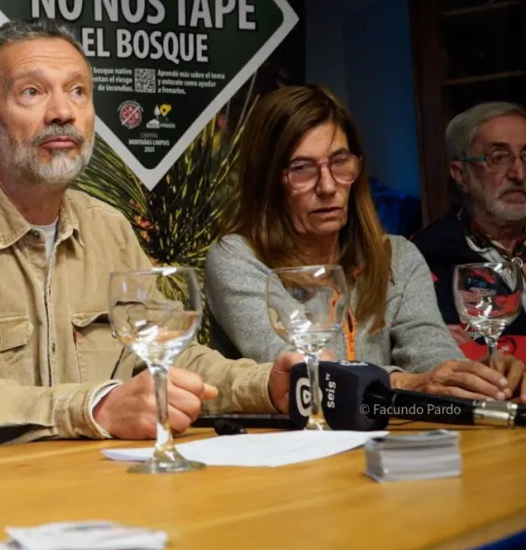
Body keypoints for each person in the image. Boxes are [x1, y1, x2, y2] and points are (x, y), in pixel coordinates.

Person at [0, 18, 309, 462]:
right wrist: (97, 408)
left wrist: (265, 386)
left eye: (78, 91)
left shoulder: (109, 229)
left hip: (95, 496)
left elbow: (167, 360)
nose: (63, 112)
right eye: (32, 92)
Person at [205, 85, 526, 402]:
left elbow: (430, 353)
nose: (328, 186)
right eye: (301, 169)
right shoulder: (237, 258)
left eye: (339, 162)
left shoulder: (397, 256)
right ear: (268, 180)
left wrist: (474, 377)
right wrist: (403, 382)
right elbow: (303, 369)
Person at [411, 101, 526, 362]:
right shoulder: (424, 255)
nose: (519, 173)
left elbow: (478, 348)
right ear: (461, 174)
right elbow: (443, 355)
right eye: (498, 158)